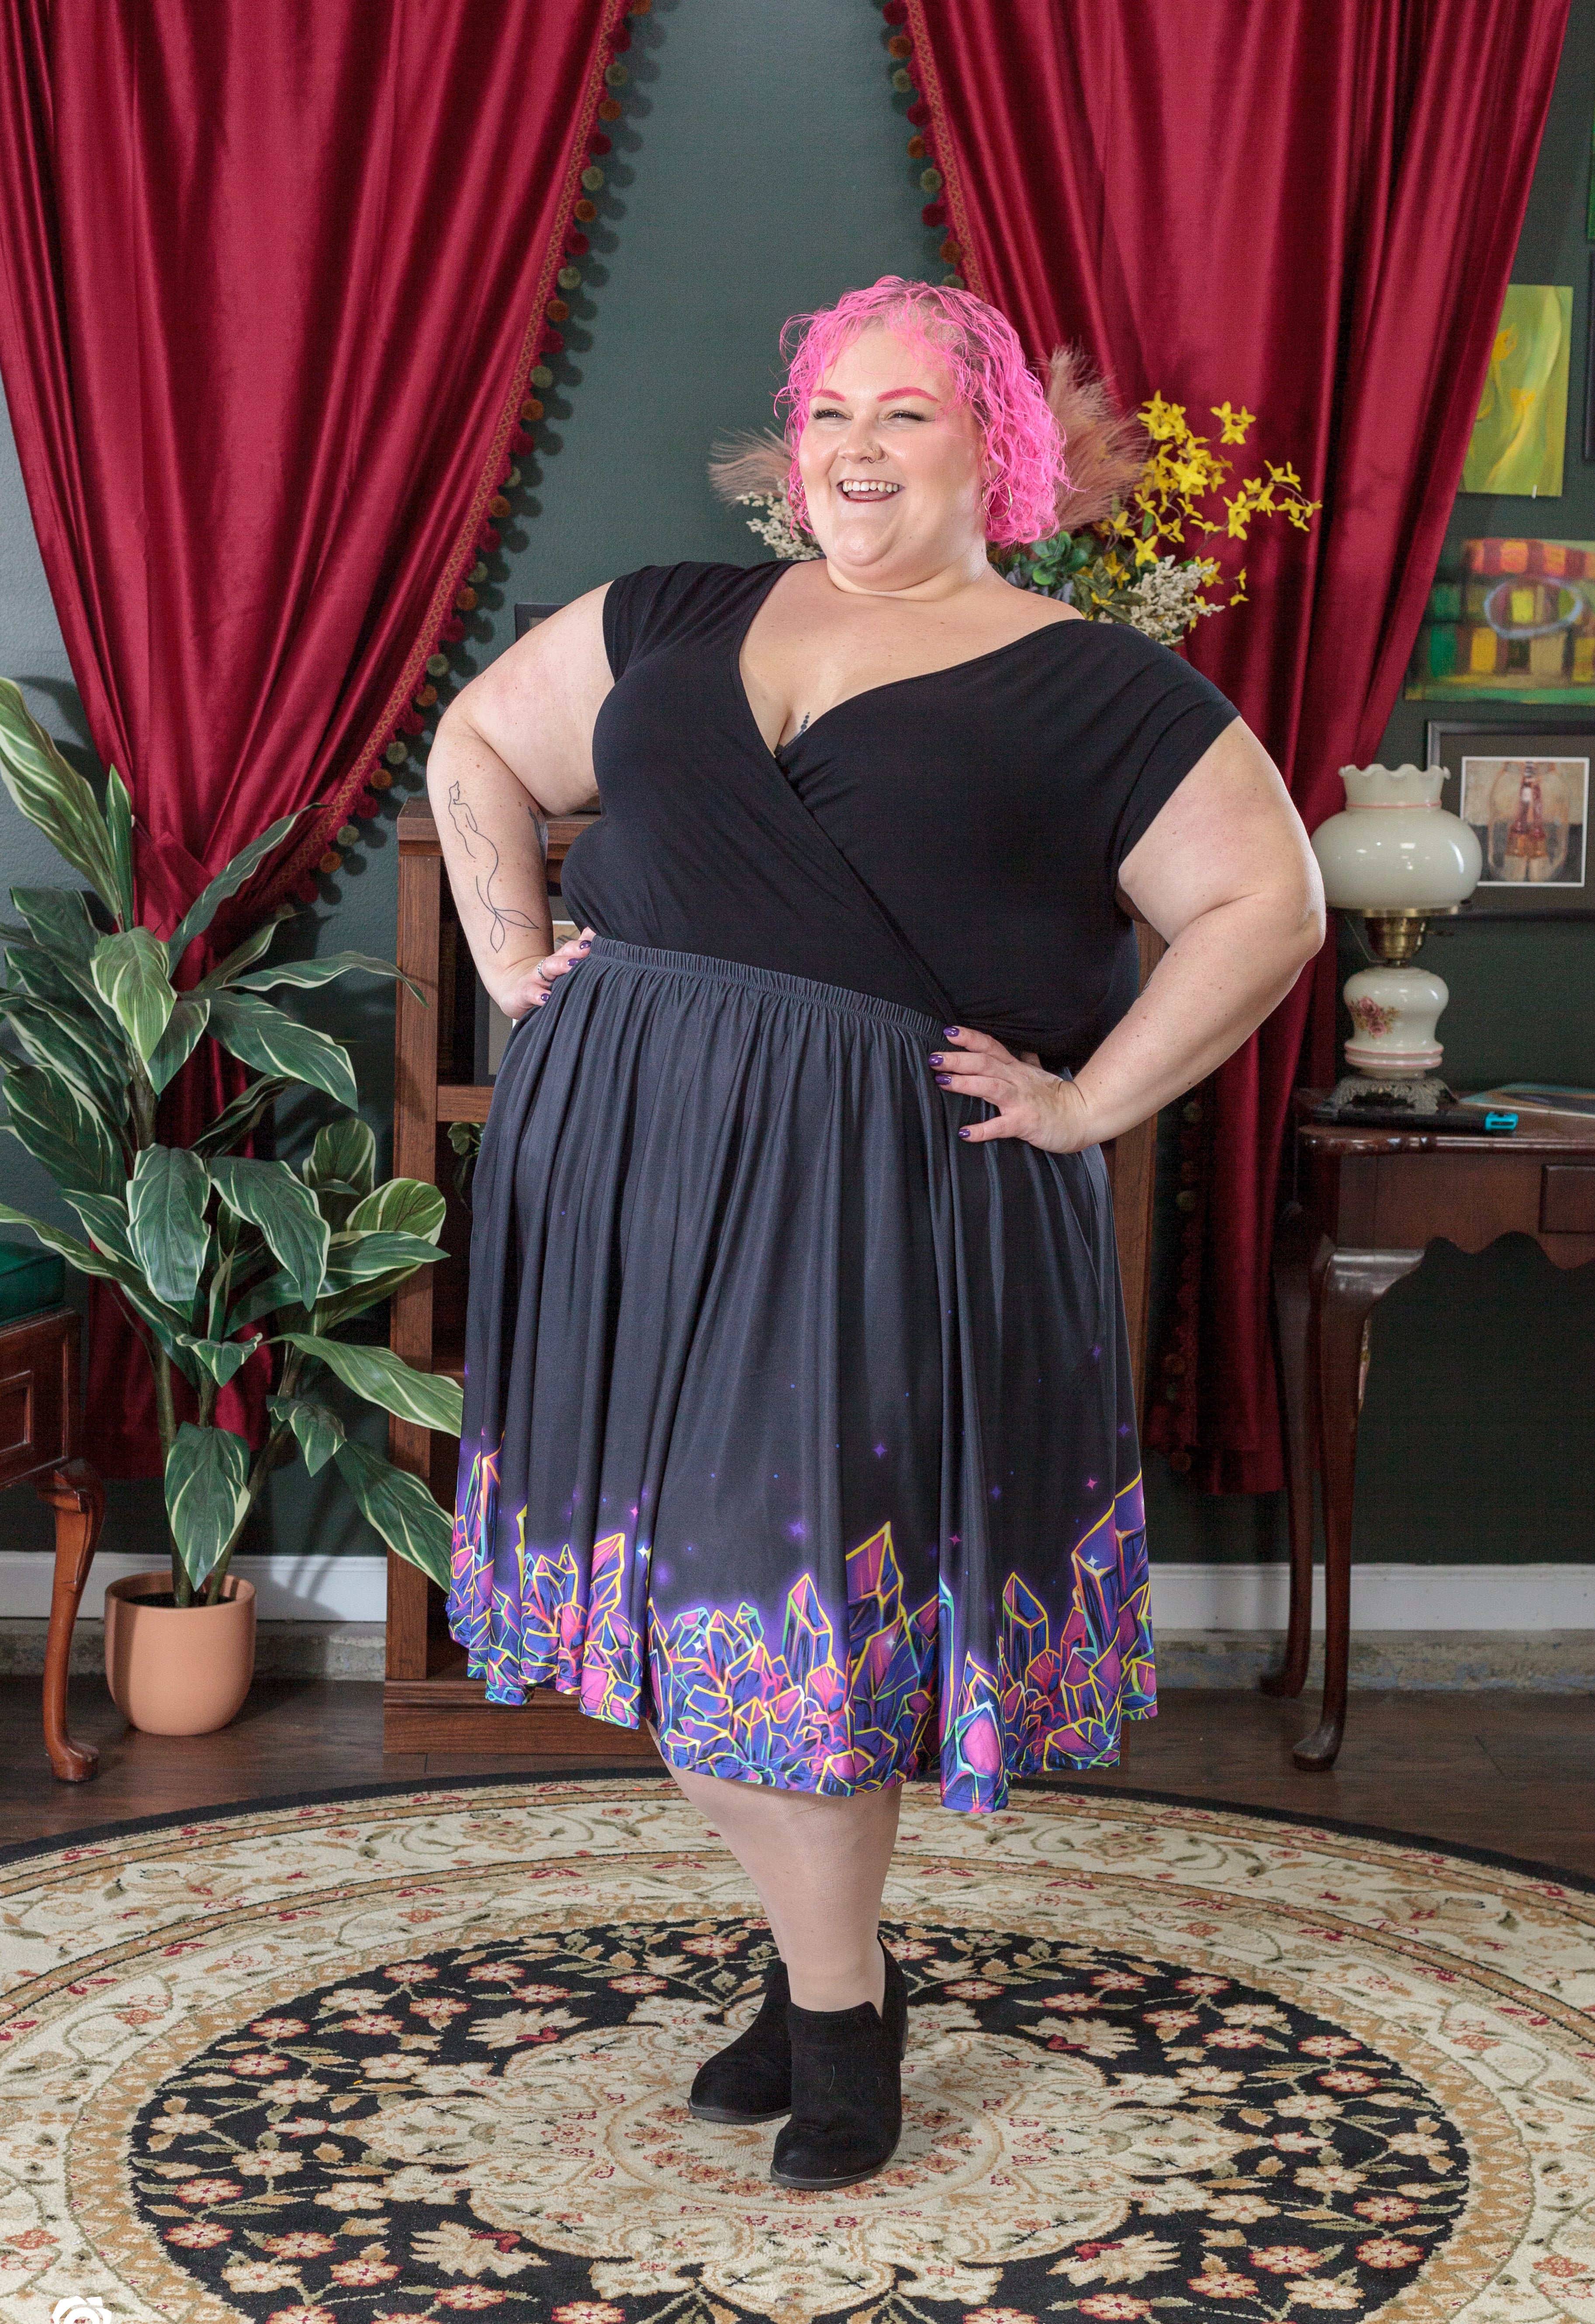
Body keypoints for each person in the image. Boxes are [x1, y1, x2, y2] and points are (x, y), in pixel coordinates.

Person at [428, 276, 1323, 2194]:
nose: (854, 447)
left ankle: (839, 2019)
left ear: (994, 446)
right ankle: (825, 1978)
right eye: (831, 408)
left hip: (869, 1196)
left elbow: (1266, 904)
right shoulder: (671, 612)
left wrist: (1088, 1101)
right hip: (625, 1168)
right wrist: (513, 958)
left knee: (784, 1625)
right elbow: (478, 744)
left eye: (905, 413)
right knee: (675, 1623)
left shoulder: (1098, 684)